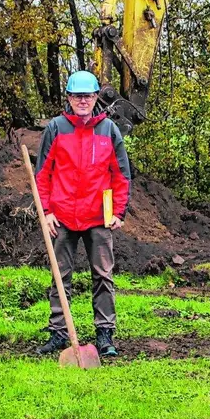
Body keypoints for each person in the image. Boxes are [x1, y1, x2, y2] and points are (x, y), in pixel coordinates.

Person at [33, 70, 131, 357]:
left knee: (103, 275)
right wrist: (47, 211)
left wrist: (119, 212)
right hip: (62, 216)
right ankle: (58, 333)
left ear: (95, 97)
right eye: (77, 96)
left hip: (99, 217)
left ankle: (105, 334)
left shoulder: (109, 130)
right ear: (69, 98)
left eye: (87, 96)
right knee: (60, 276)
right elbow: (43, 174)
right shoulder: (56, 128)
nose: (83, 101)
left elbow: (121, 175)